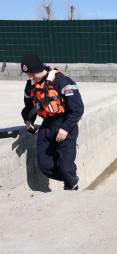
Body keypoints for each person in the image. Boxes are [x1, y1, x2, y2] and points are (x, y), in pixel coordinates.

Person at [20, 54, 84, 190]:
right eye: (28, 75)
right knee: (44, 165)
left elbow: (78, 108)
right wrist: (29, 120)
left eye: (32, 74)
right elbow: (29, 106)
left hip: (65, 124)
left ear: (39, 68)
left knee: (65, 166)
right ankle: (68, 177)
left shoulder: (62, 81)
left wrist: (66, 128)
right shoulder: (30, 85)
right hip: (47, 125)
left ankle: (72, 184)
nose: (30, 77)